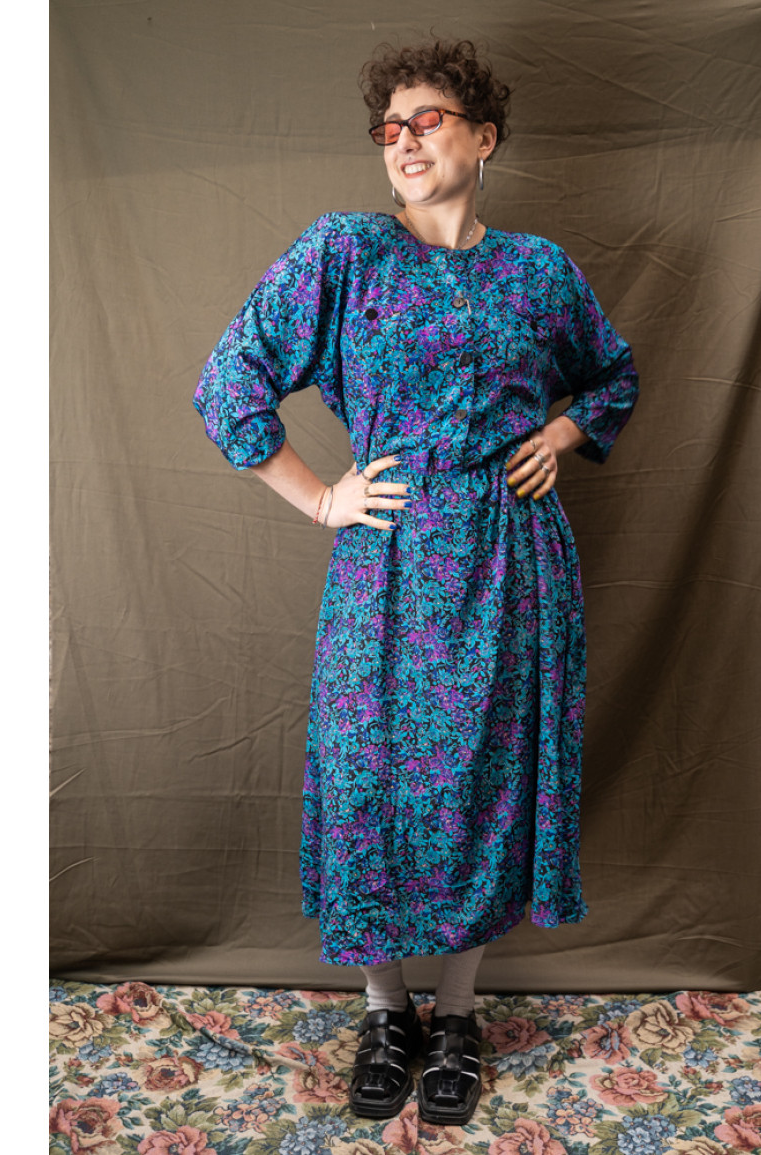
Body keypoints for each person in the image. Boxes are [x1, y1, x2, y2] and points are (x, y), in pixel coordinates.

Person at [194, 38, 638, 1126]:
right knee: (369, 784)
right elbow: (229, 380)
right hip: (386, 564)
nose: (403, 141)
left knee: (484, 782)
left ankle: (458, 1013)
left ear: (484, 138)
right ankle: (386, 1010)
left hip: (510, 564)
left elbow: (612, 372)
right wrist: (319, 499)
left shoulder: (538, 270)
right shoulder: (344, 252)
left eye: (427, 121)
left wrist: (565, 430)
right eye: (389, 128)